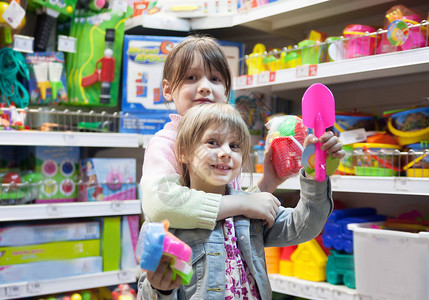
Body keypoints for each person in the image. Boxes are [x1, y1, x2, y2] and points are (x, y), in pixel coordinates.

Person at [138, 103, 342, 299]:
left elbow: (305, 225)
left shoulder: (252, 206)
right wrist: (160, 289)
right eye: (212, 142)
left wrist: (315, 173)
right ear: (183, 152)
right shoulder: (170, 222)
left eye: (234, 145)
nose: (226, 152)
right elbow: (147, 292)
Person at [141, 35, 305, 231]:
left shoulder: (227, 144)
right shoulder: (165, 144)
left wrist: (269, 181)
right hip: (181, 260)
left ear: (226, 92)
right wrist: (244, 203)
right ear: (168, 90)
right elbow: (161, 206)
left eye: (215, 79)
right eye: (191, 78)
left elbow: (229, 210)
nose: (204, 87)